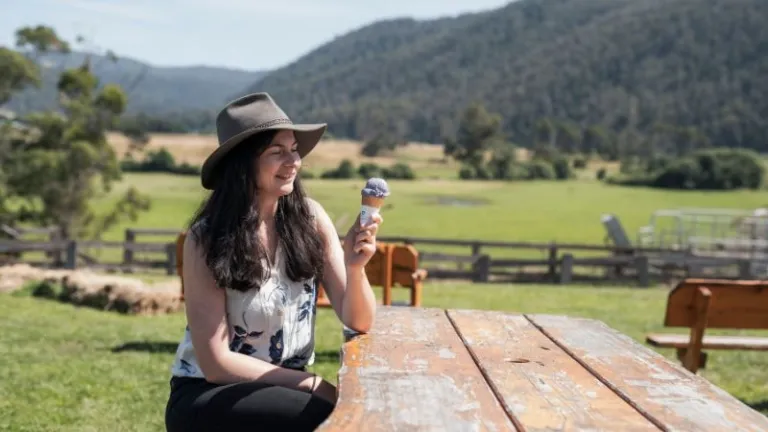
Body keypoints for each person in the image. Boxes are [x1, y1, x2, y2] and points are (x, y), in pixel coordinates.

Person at [164, 93, 380, 431]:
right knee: (329, 416)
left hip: (285, 390)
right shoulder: (206, 238)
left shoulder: (310, 219)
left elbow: (360, 321)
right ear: (242, 164)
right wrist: (311, 384)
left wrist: (355, 268)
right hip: (208, 393)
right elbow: (216, 363)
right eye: (276, 152)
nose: (293, 161)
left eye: (294, 149)